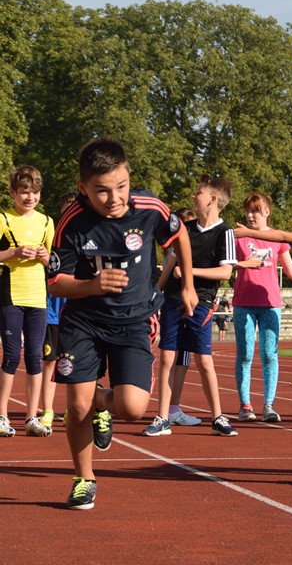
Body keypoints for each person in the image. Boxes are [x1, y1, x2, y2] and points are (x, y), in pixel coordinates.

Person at [47, 138, 197, 510]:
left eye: (121, 186)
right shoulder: (72, 222)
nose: (114, 198)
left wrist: (189, 285)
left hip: (134, 320)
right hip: (84, 322)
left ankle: (102, 402)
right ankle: (84, 479)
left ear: (129, 176)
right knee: (76, 407)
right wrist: (92, 285)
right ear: (83, 188)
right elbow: (55, 282)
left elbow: (179, 236)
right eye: (101, 190)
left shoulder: (150, 208)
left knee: (133, 408)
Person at [143, 174, 238, 437]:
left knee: (204, 360)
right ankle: (163, 417)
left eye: (199, 192)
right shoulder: (184, 229)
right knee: (167, 357)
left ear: (213, 199)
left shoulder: (225, 232)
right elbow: (171, 263)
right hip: (173, 299)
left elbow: (225, 272)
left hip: (201, 302)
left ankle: (217, 416)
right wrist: (156, 292)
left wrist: (189, 272)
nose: (194, 196)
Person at [233, 192, 292, 423]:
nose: (250, 216)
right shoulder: (238, 237)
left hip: (270, 304)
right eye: (248, 211)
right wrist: (244, 264)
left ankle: (269, 405)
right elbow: (227, 265)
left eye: (255, 211)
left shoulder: (278, 239)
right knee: (245, 355)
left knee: (270, 355)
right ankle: (245, 405)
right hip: (244, 303)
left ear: (267, 212)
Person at [0, 165, 54, 438]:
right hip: (11, 295)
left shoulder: (46, 222)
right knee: (11, 355)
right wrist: (15, 252)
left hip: (38, 297)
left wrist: (45, 257)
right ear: (13, 192)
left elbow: (54, 262)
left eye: (34, 192)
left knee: (35, 357)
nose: (29, 197)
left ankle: (32, 417)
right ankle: (2, 415)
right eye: (24, 192)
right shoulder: (3, 218)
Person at [158, 207, 201, 427]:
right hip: (174, 303)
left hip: (190, 303)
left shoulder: (194, 248)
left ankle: (172, 409)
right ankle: (169, 410)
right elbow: (165, 277)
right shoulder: (175, 250)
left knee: (181, 360)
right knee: (172, 358)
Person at [40, 191, 78, 431]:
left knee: (77, 363)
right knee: (50, 361)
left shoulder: (88, 238)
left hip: (77, 312)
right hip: (53, 312)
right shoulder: (52, 239)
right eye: (65, 213)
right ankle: (47, 410)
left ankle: (72, 410)